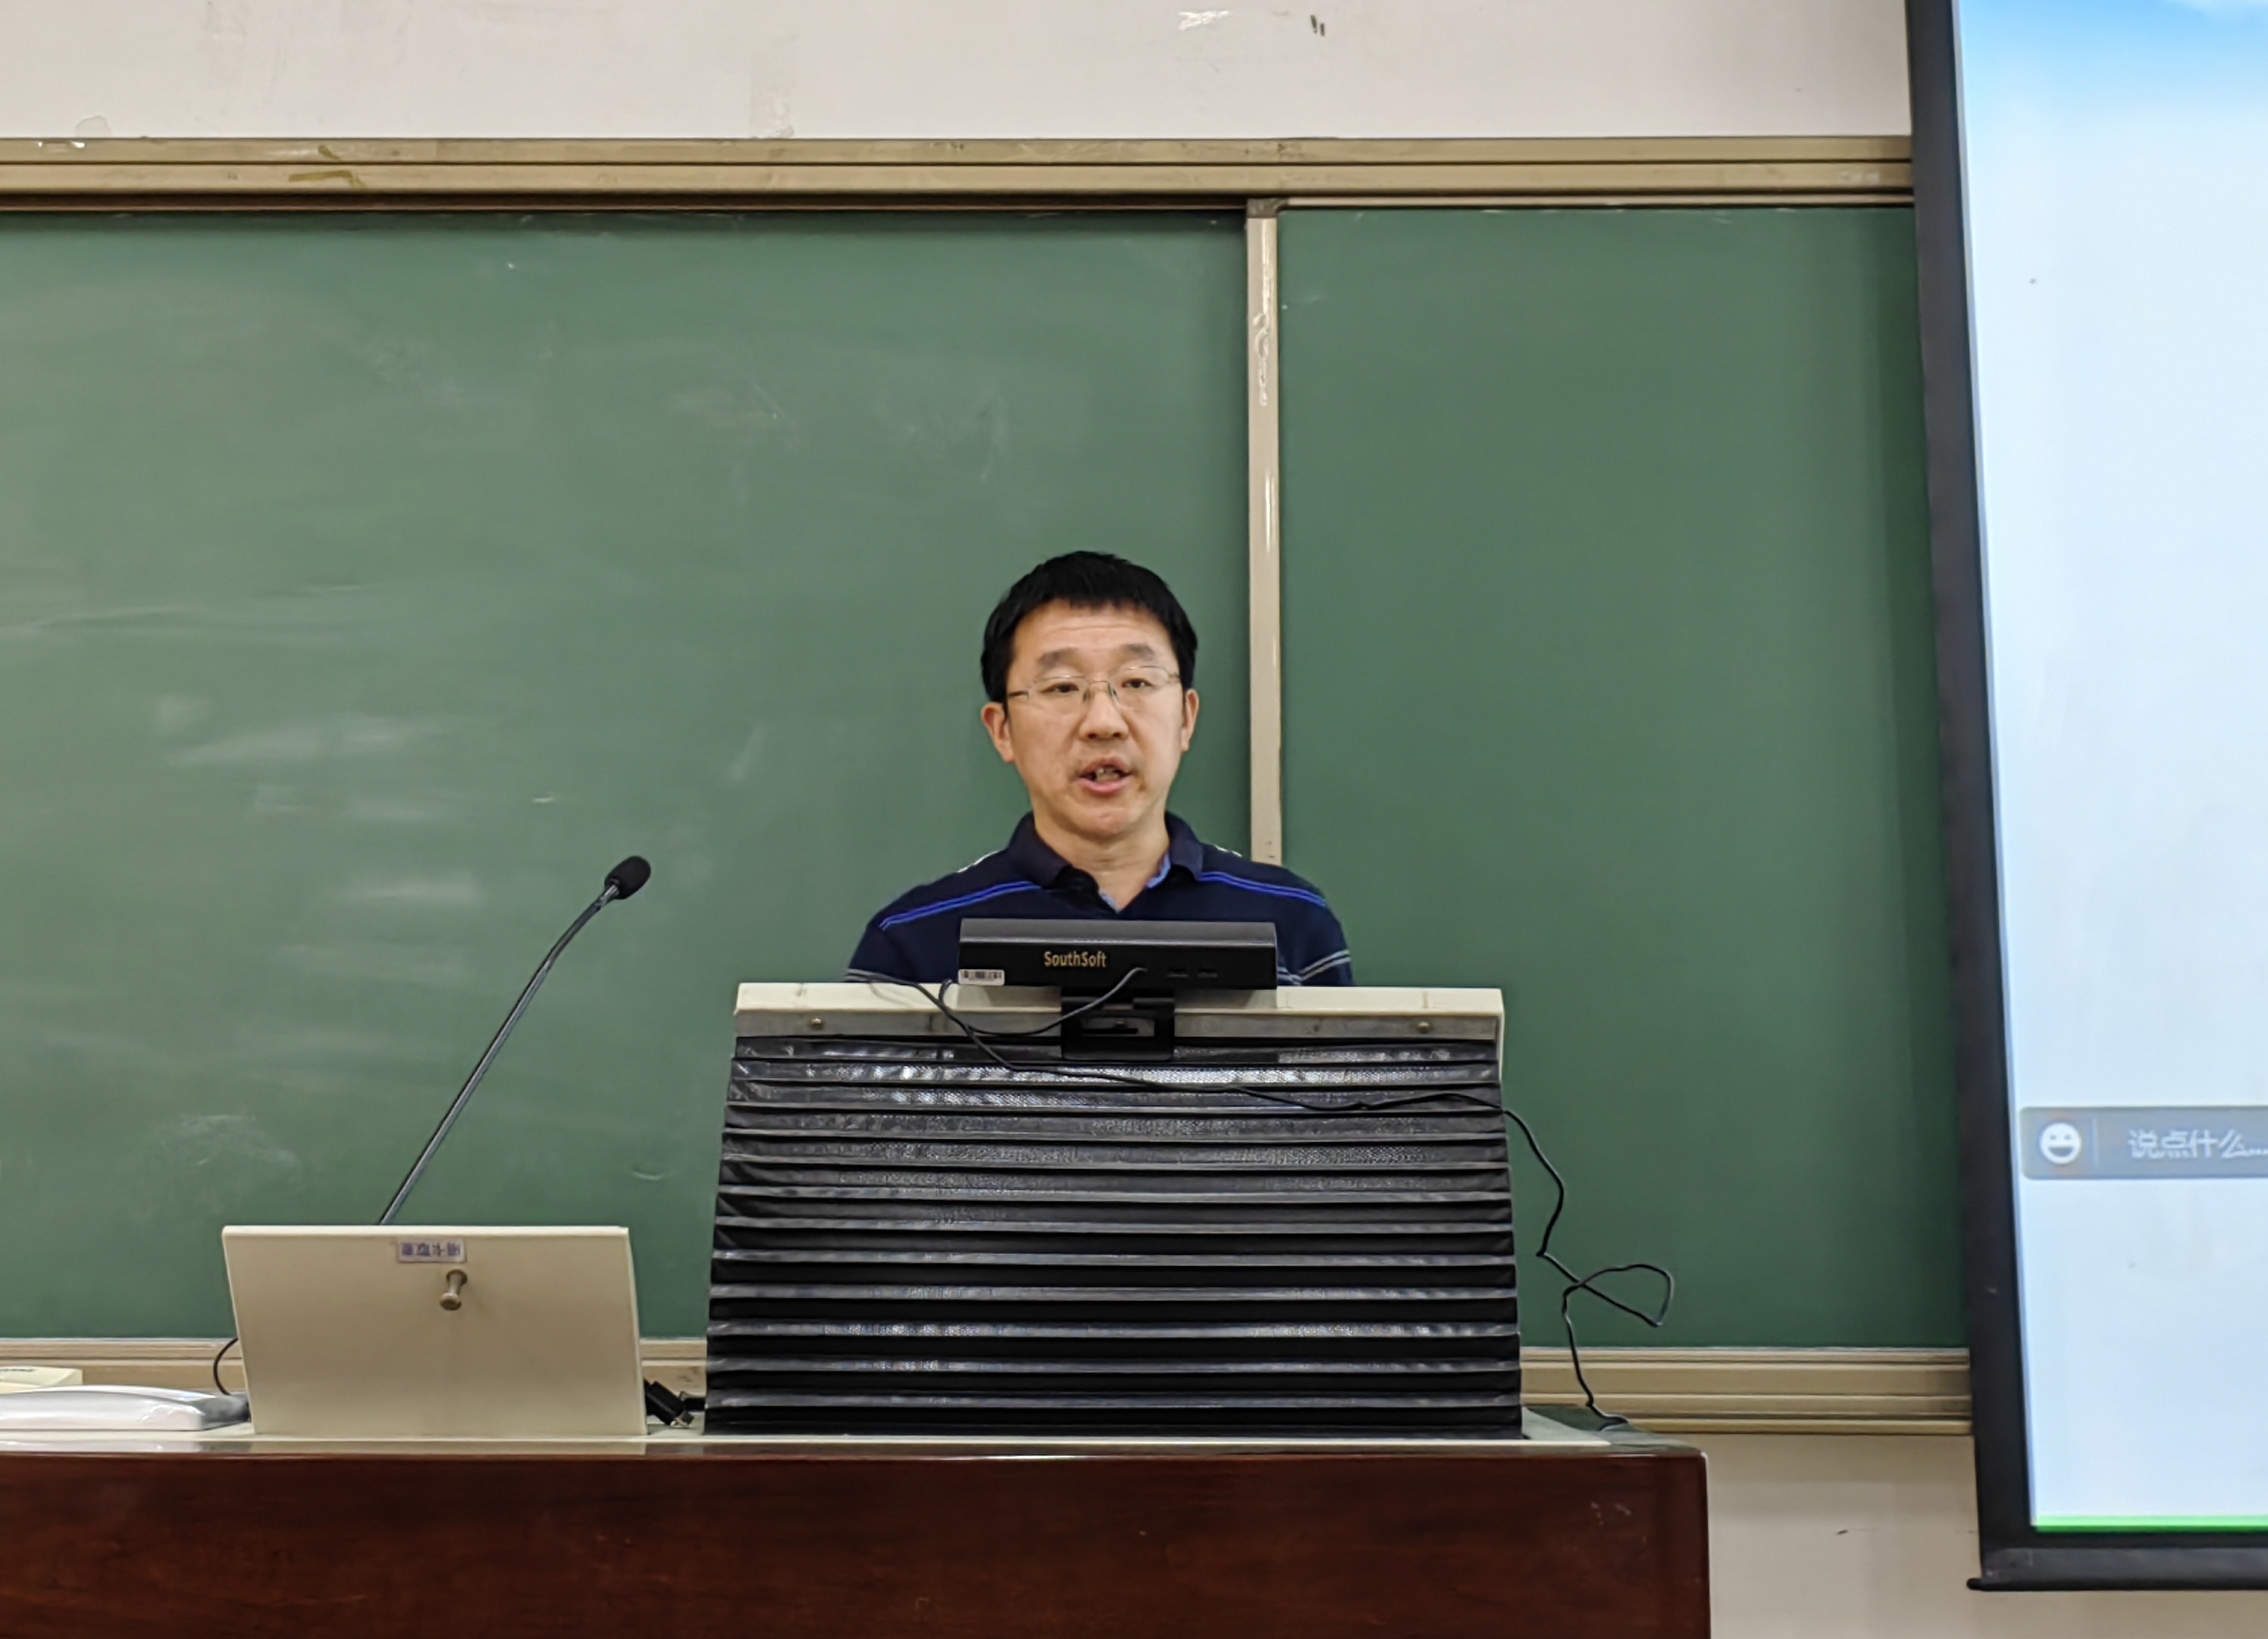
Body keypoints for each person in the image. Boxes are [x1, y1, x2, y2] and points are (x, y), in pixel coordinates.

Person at [848, 552, 1352, 987]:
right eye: (1062, 688)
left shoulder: (1292, 922)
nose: (1104, 723)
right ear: (1003, 731)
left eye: (1136, 682)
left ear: (1186, 718)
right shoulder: (912, 942)